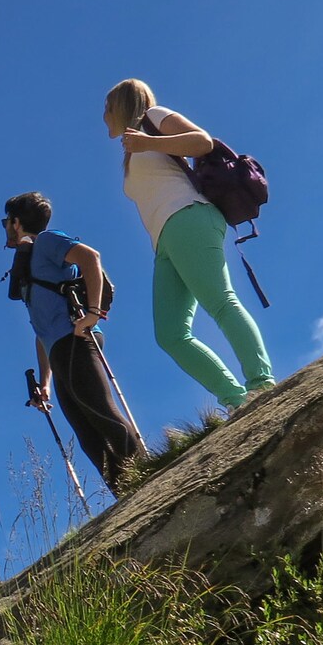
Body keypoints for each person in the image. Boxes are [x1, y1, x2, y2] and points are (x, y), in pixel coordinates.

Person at [103, 79, 274, 408]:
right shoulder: (133, 150)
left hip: (188, 217)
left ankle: (262, 384)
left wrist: (147, 145)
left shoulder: (154, 117)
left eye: (107, 107)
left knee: (221, 303)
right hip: (165, 240)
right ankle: (237, 400)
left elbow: (202, 142)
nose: (104, 115)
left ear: (123, 105)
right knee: (170, 335)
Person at [3, 191, 142, 489]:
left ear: (16, 222)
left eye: (6, 221)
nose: (5, 227)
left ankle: (151, 476)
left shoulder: (47, 240)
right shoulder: (27, 265)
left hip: (76, 338)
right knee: (86, 432)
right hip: (60, 349)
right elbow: (42, 332)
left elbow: (90, 257)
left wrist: (92, 313)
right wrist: (45, 383)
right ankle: (128, 492)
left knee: (102, 414)